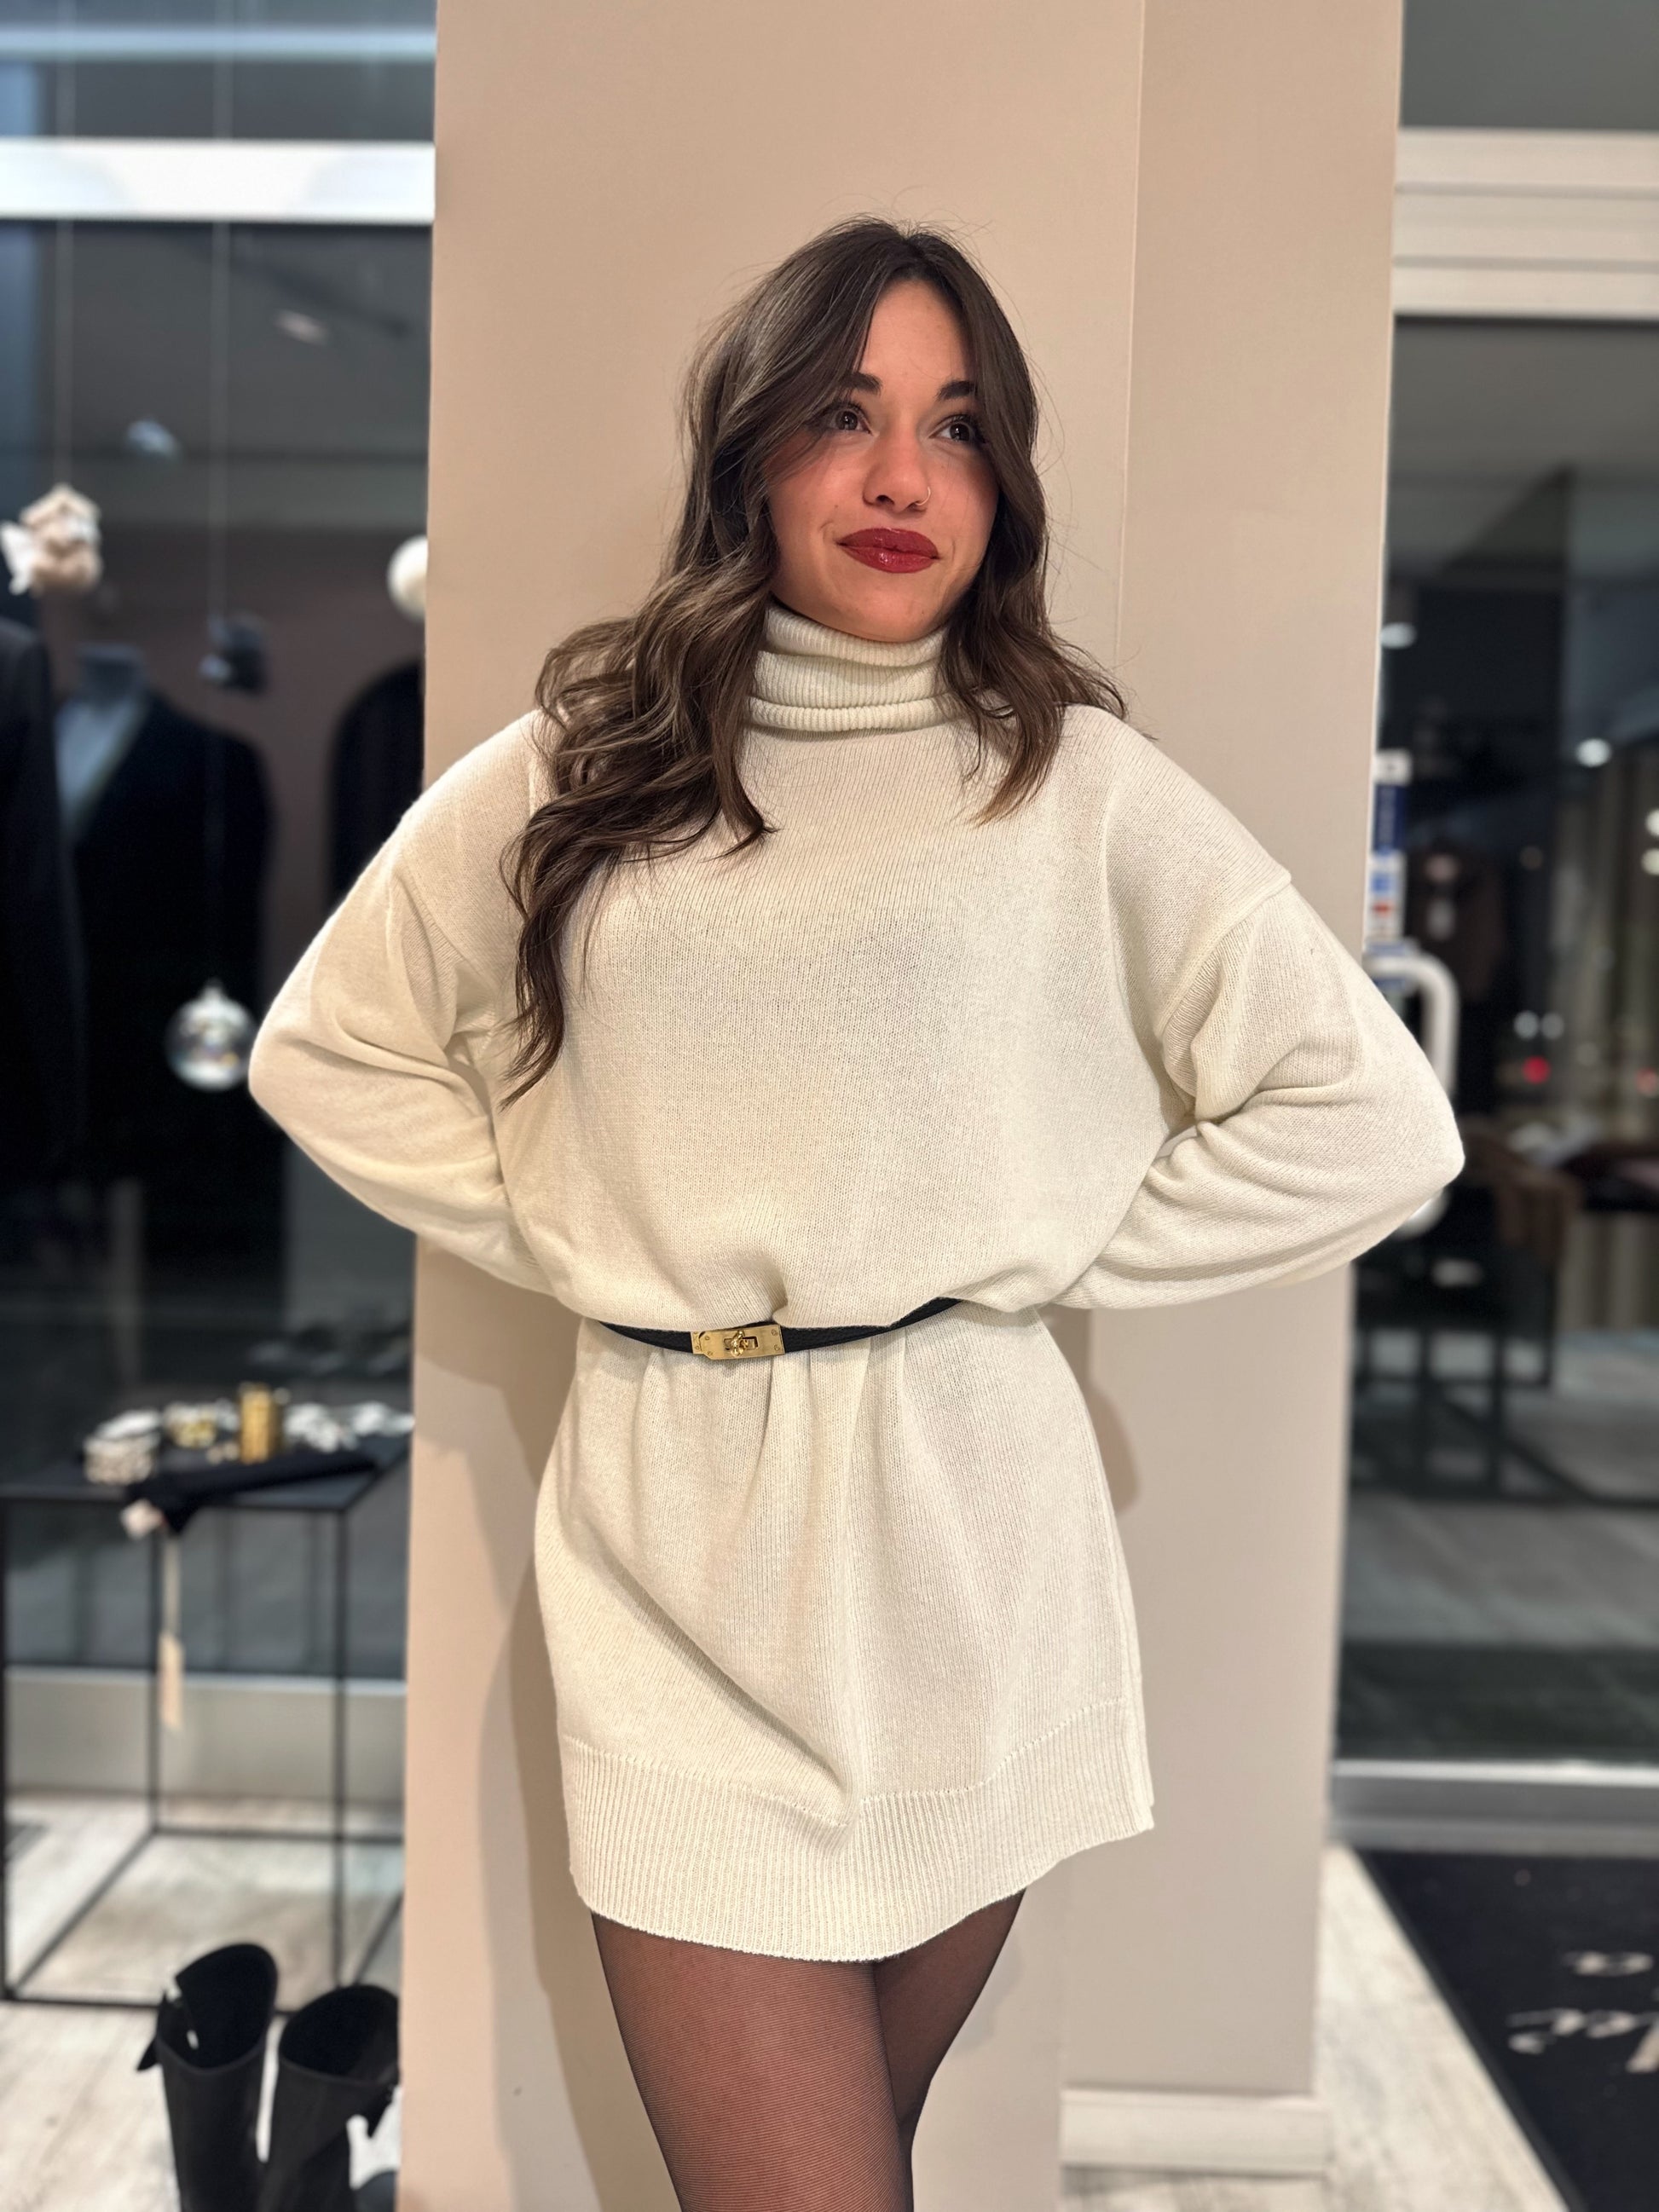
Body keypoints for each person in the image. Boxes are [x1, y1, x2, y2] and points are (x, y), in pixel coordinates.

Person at [248, 217, 1465, 2211]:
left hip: (969, 1544)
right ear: (752, 456)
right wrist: (580, 1233)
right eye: (846, 414)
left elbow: (1369, 1118)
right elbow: (333, 1048)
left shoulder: (1070, 783)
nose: (905, 475)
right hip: (671, 1548)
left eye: (957, 426)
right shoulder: (588, 759)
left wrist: (1030, 1248)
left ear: (1003, 482)